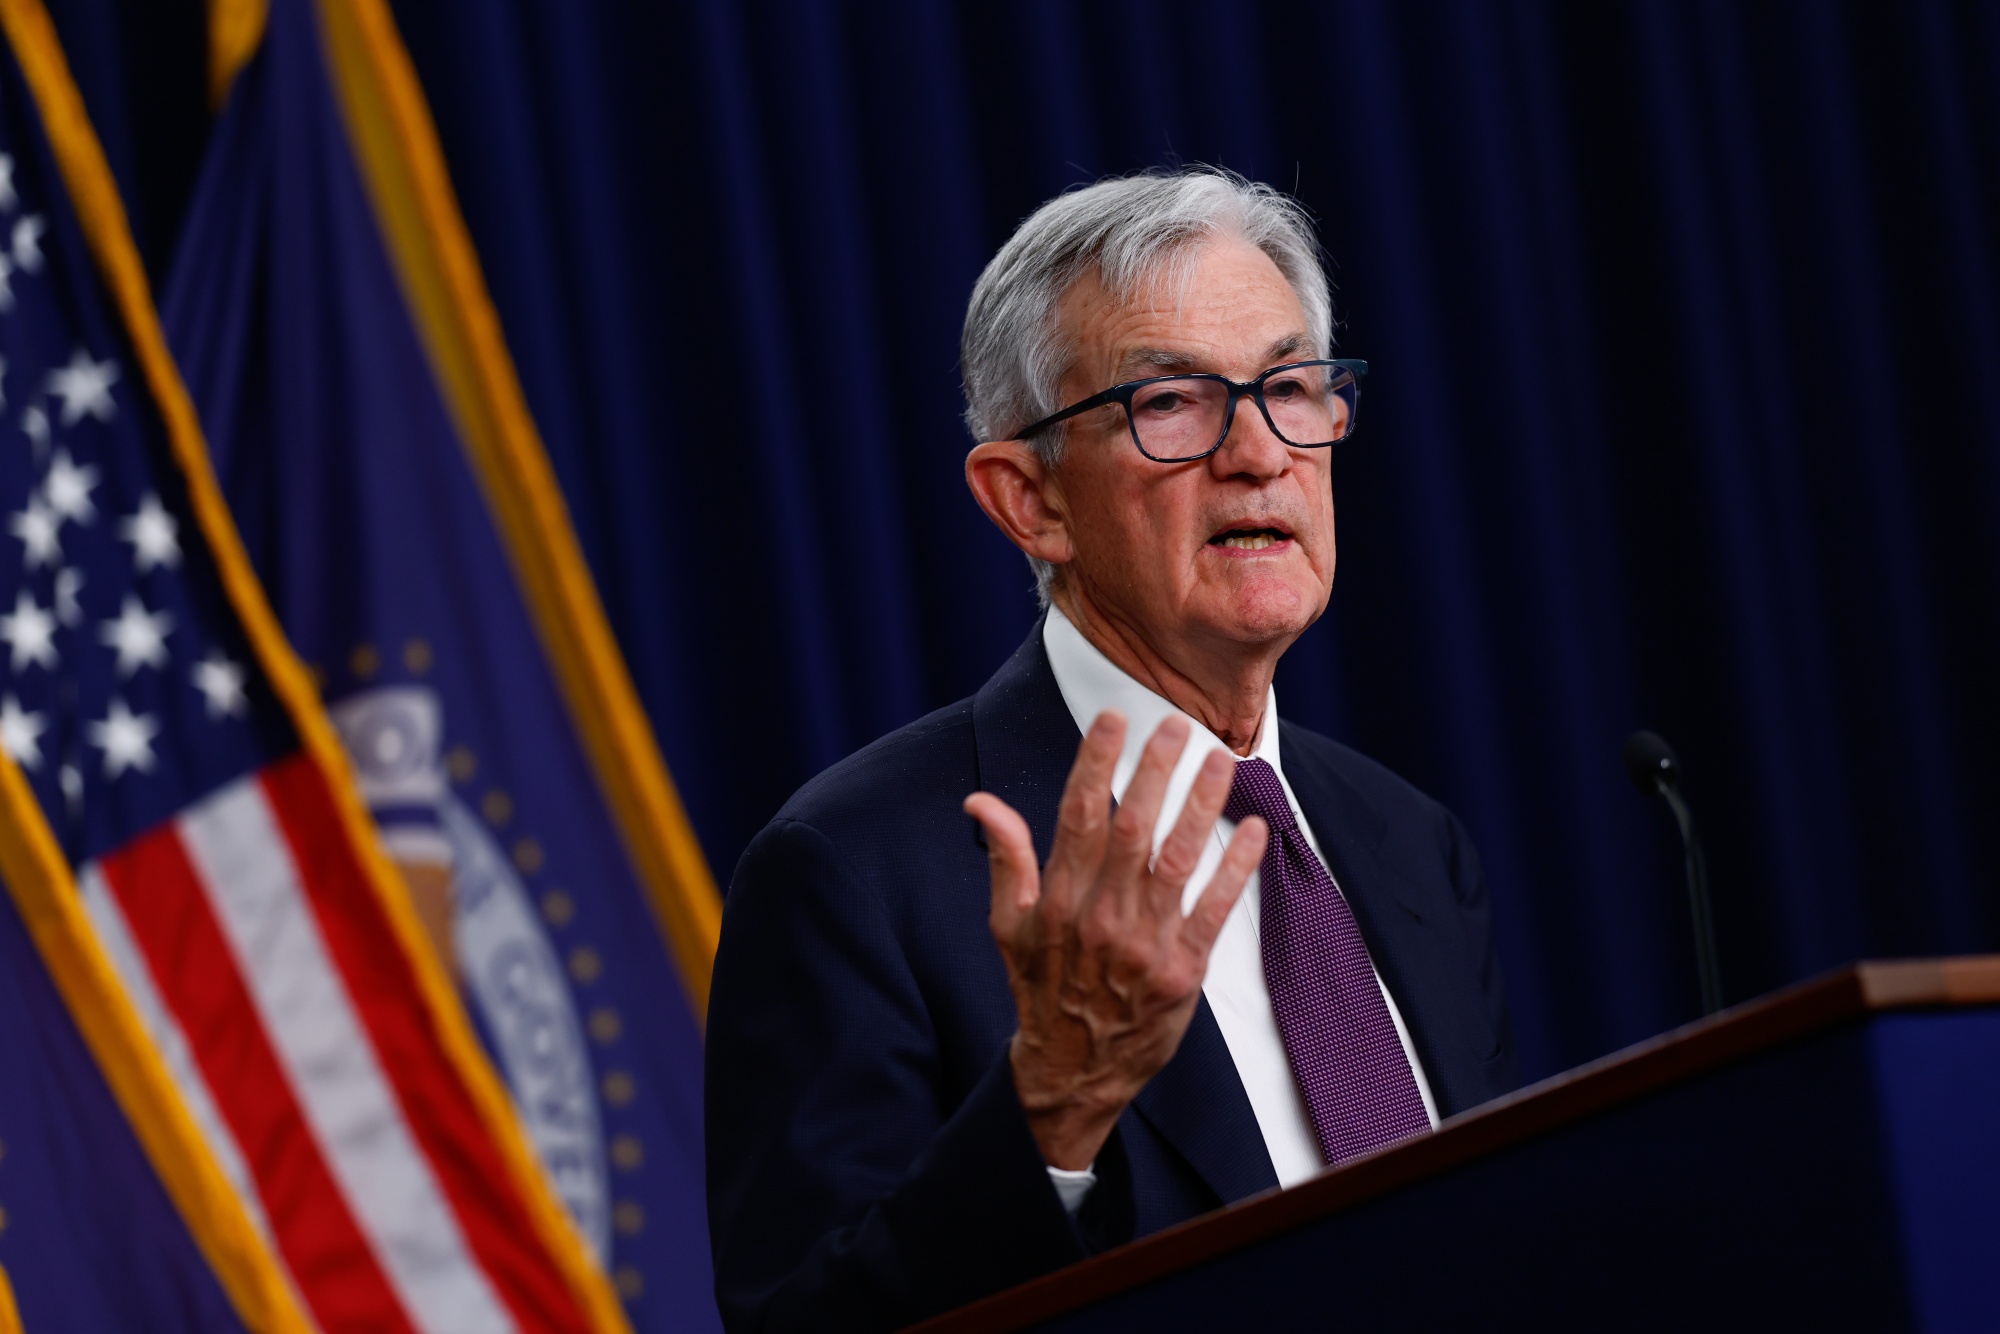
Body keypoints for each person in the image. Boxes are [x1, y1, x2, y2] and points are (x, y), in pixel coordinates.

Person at [705, 167, 1519, 1332]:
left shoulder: (1408, 842)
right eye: (1172, 403)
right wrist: (1052, 1105)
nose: (1257, 451)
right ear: (1028, 498)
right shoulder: (855, 871)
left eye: (1290, 386)